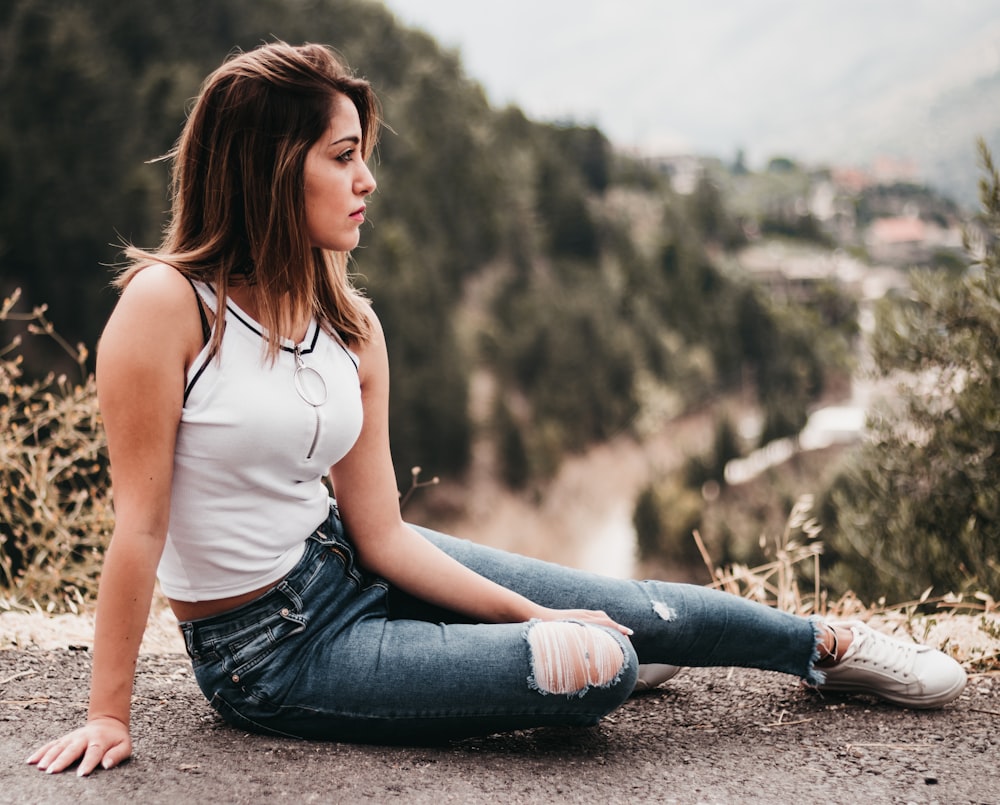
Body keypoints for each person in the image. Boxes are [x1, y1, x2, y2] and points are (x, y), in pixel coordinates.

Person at [27, 42, 966, 777]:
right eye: (344, 156)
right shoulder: (166, 307)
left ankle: (826, 647)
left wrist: (539, 608)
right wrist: (110, 712)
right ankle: (618, 654)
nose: (368, 182)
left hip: (349, 563)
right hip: (266, 652)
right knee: (593, 667)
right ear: (272, 168)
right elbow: (139, 527)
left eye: (367, 156)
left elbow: (384, 536)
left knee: (625, 615)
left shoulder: (348, 323)